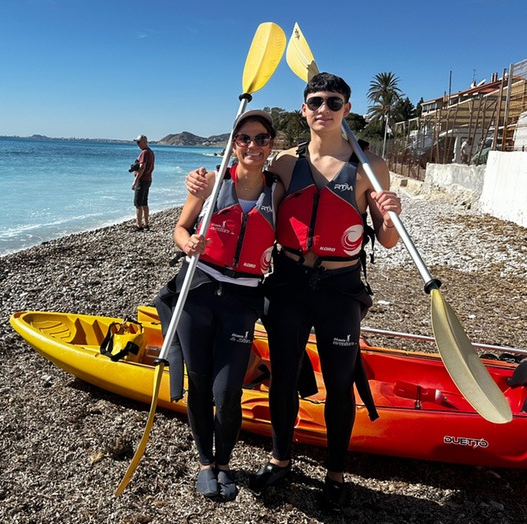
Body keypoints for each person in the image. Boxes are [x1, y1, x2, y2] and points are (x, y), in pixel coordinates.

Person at [186, 73, 402, 511]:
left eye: (333, 102)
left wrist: (390, 215)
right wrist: (198, 185)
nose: (323, 108)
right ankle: (281, 459)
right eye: (315, 101)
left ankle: (336, 473)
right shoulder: (285, 162)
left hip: (340, 287)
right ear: (303, 110)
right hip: (286, 282)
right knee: (283, 379)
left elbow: (389, 240)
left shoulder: (370, 166)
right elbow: (244, 185)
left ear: (347, 108)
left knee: (339, 385)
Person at [156, 110, 281, 502]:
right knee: (200, 383)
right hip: (200, 289)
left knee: (228, 391)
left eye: (261, 139)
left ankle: (225, 461)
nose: (252, 146)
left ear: (271, 145)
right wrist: (187, 243)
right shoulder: (210, 183)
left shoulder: (279, 190)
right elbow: (180, 228)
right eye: (244, 138)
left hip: (243, 299)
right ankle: (206, 464)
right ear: (233, 143)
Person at [132, 134, 155, 230]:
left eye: (138, 142)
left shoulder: (144, 153)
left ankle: (139, 225)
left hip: (142, 180)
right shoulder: (150, 152)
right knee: (144, 202)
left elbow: (142, 167)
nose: (137, 144)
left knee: (138, 204)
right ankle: (146, 223)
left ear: (144, 142)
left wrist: (135, 181)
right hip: (148, 179)